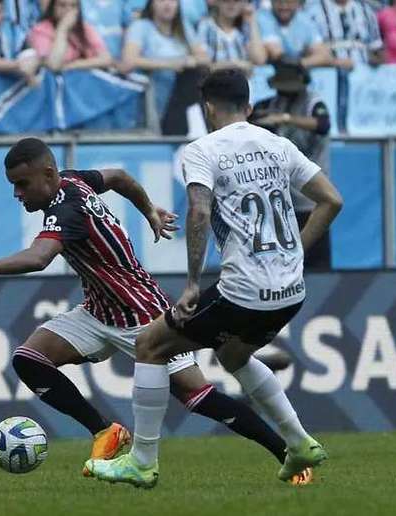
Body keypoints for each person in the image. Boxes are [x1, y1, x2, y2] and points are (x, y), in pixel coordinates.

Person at [0, 138, 313, 485]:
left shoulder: (65, 211)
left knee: (200, 397)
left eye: (22, 183)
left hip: (142, 312)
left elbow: (39, 257)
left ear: (48, 174)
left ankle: (289, 455)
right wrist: (149, 210)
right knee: (29, 359)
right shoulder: (73, 181)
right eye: (13, 184)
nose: (17, 193)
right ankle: (105, 431)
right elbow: (118, 176)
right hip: (98, 312)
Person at [85, 69, 343, 488]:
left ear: (208, 108)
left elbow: (200, 212)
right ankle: (299, 442)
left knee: (149, 345)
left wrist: (191, 285)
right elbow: (331, 200)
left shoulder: (202, 150)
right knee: (234, 355)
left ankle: (142, 462)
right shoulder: (278, 144)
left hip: (244, 291)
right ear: (250, 105)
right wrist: (295, 252)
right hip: (290, 290)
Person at [249, 62, 332, 270]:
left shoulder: (314, 102)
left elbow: (322, 125)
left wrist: (286, 119)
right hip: (277, 197)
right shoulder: (269, 104)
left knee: (315, 261)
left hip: (309, 197)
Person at [120, 0, 210, 123]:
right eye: (162, 0)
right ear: (152, 4)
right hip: (151, 94)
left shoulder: (183, 26)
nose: (167, 4)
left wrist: (189, 61)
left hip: (181, 95)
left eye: (172, 1)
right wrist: (171, 64)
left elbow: (204, 59)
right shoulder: (140, 26)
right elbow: (128, 61)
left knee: (198, 74)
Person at [26, 0, 113, 71]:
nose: (68, 10)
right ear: (53, 7)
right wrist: (62, 29)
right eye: (62, 5)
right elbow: (53, 65)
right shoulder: (40, 30)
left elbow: (106, 59)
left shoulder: (85, 28)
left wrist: (73, 65)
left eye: (73, 6)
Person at [305, 0, 384, 69]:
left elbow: (376, 48)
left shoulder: (366, 10)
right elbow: (308, 50)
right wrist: (335, 62)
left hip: (362, 75)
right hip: (327, 75)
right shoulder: (312, 11)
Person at [195, 0, 267, 72]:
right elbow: (202, 64)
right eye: (226, 0)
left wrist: (252, 22)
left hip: (247, 81)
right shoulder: (206, 26)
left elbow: (259, 60)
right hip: (217, 80)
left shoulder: (246, 27)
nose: (231, 4)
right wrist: (235, 65)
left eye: (237, 0)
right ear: (217, 2)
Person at [258, 0, 334, 68]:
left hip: (298, 75)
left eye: (289, 2)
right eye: (279, 1)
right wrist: (308, 57)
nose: (284, 6)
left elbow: (324, 55)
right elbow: (277, 55)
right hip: (269, 76)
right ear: (271, 2)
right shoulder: (263, 17)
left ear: (298, 3)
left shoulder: (305, 19)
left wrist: (301, 63)